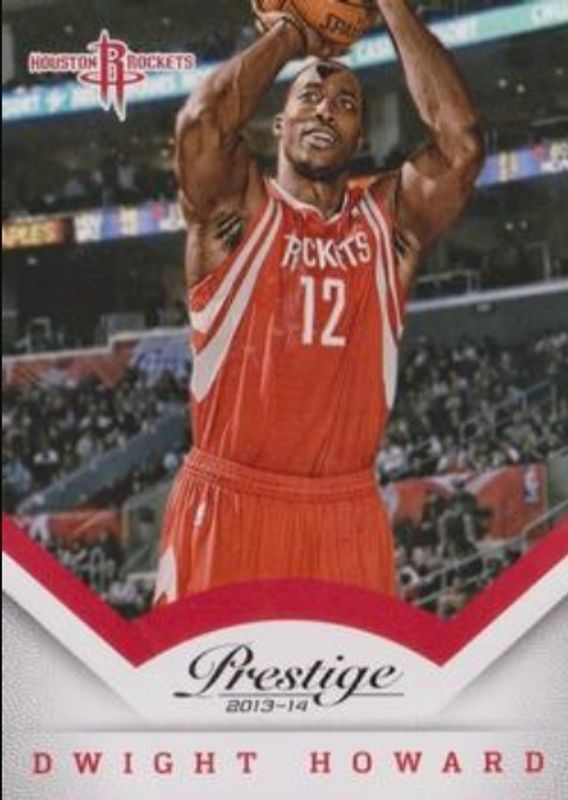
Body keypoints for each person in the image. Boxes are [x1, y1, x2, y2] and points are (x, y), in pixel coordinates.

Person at [154, 0, 484, 605]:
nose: (325, 108)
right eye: (308, 97)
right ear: (278, 126)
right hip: (230, 504)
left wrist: (391, 6)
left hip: (344, 512)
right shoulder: (234, 209)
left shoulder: (389, 226)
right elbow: (201, 122)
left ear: (359, 139)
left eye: (345, 104)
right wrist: (294, 33)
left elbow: (460, 145)